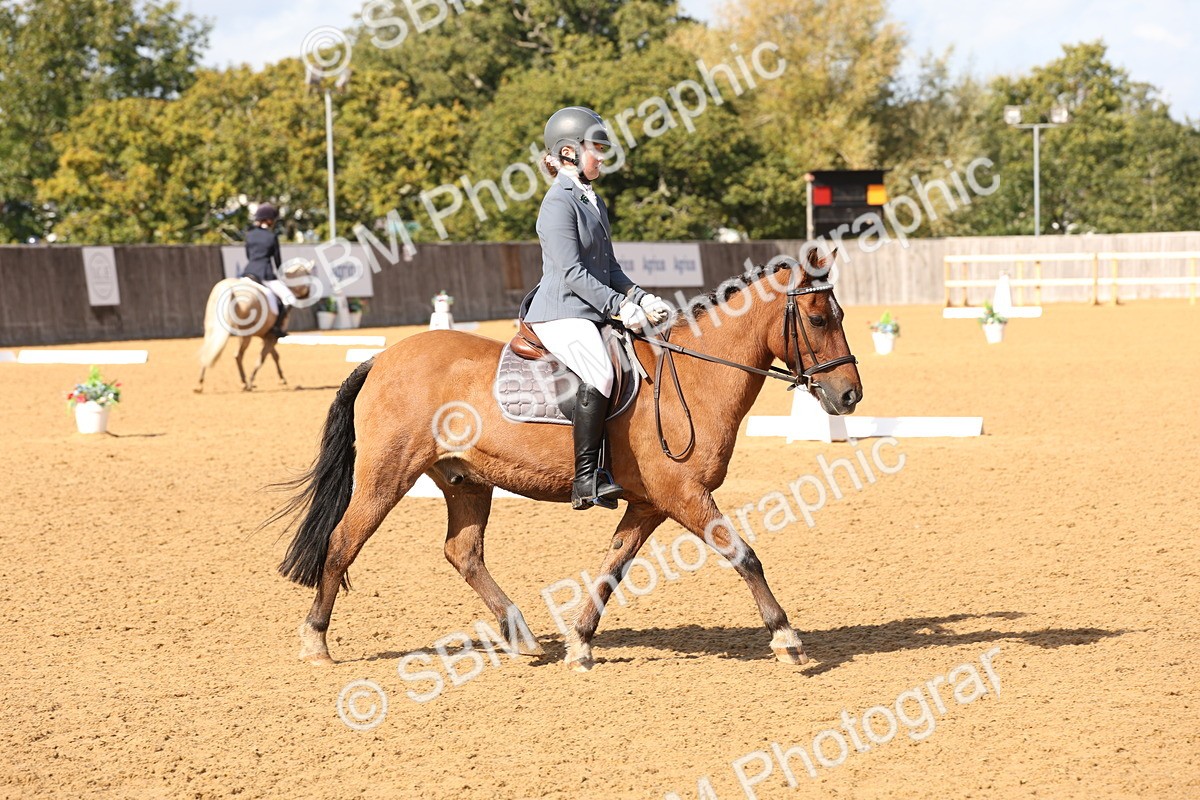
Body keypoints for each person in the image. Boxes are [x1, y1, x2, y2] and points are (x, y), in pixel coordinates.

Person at [523, 106, 672, 511]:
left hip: (590, 308)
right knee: (601, 372)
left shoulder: (593, 200)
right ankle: (586, 478)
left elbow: (610, 268)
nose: (603, 156)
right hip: (561, 311)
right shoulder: (558, 203)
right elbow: (571, 271)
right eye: (597, 148)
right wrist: (618, 306)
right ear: (569, 152)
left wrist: (641, 297)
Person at [241, 202, 291, 336]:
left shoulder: (249, 235)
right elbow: (277, 262)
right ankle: (276, 328)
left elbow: (248, 255)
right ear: (269, 220)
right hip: (265, 274)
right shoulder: (272, 237)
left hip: (248, 272)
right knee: (288, 298)